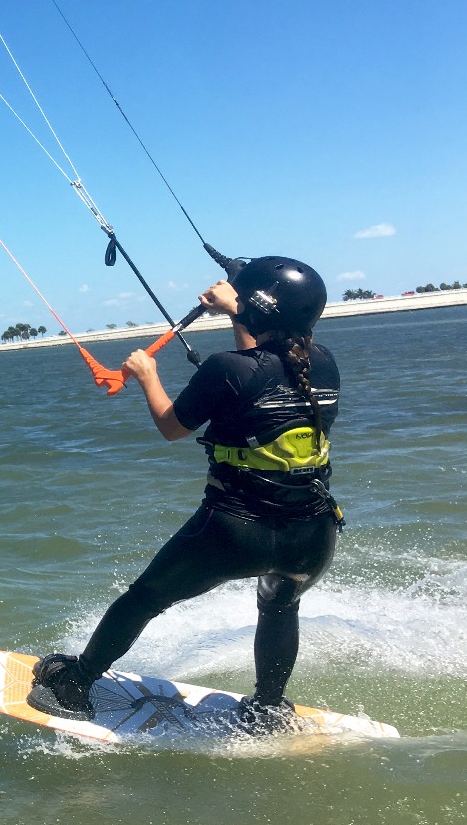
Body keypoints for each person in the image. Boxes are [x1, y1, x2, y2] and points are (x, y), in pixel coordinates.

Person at [27, 256, 342, 732]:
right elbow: (256, 368)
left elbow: (173, 427)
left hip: (236, 531)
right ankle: (270, 705)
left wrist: (146, 373)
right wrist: (239, 310)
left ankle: (76, 683)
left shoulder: (225, 368)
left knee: (145, 597)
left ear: (255, 311)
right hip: (312, 532)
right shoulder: (323, 364)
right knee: (280, 604)